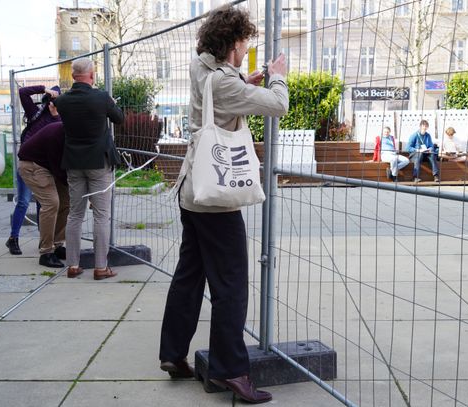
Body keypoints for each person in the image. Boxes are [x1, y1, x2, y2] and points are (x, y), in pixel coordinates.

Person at [159, 5, 288, 404]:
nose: (247, 47)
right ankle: (230, 370)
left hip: (192, 191)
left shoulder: (202, 67)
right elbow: (278, 104)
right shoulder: (226, 82)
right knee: (231, 285)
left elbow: (222, 88)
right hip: (216, 201)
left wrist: (244, 80)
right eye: (245, 42)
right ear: (233, 44)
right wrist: (278, 75)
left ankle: (172, 353)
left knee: (189, 275)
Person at [54, 58, 124, 280]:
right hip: (98, 163)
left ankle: (73, 266)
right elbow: (119, 118)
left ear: (73, 76)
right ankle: (101, 267)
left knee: (75, 214)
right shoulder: (101, 97)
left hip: (74, 163)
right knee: (101, 215)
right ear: (92, 75)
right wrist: (111, 103)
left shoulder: (62, 101)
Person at [6, 85, 61, 255]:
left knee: (43, 204)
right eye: (52, 99)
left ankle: (43, 241)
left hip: (44, 168)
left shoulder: (58, 119)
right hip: (28, 164)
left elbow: (59, 136)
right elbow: (23, 92)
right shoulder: (35, 113)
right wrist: (44, 89)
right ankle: (13, 238)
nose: (53, 103)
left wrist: (56, 115)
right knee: (23, 201)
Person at [17, 119, 69, 268]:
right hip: (32, 165)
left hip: (50, 166)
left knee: (66, 202)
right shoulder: (57, 134)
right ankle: (46, 253)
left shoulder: (76, 132)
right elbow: (57, 167)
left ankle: (57, 245)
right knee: (51, 203)